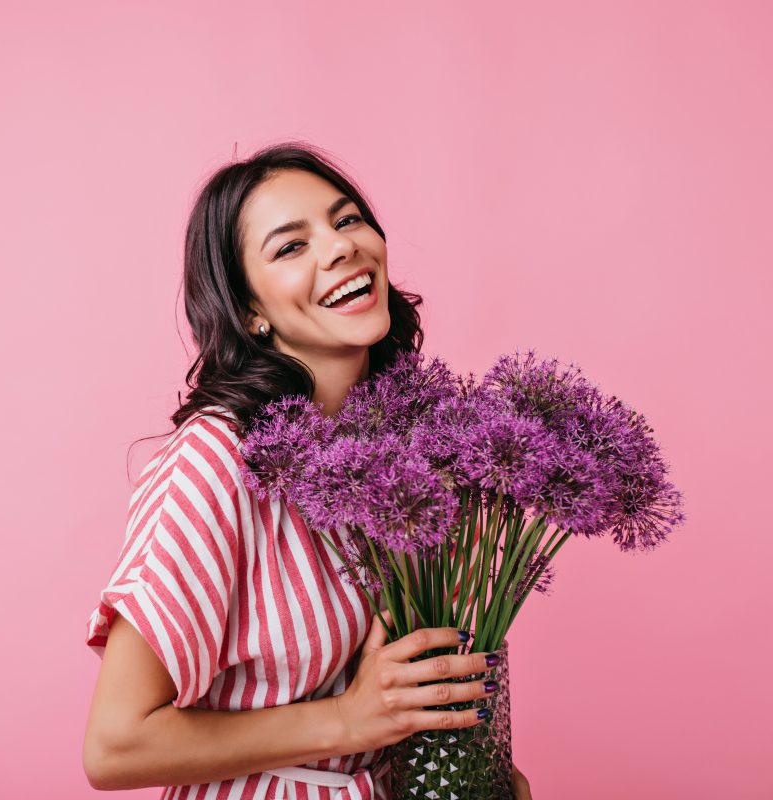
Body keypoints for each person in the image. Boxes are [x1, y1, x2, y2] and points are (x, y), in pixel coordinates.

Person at [82, 142, 532, 800]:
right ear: (249, 312)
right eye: (290, 246)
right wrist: (347, 720)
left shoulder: (407, 451)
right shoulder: (218, 460)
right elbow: (114, 746)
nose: (341, 246)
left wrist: (490, 778)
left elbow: (420, 698)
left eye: (347, 220)